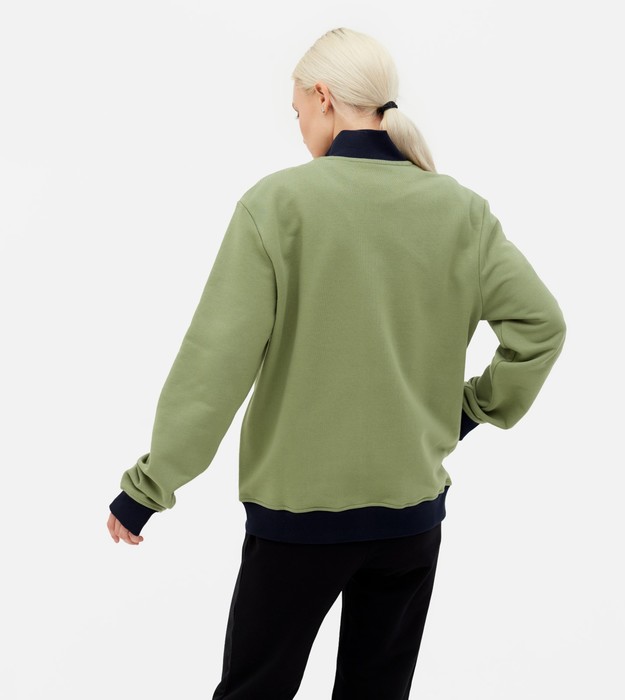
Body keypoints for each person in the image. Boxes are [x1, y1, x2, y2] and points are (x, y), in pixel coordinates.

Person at [106, 26, 566, 699]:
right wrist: (465, 412)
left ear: (323, 97)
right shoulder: (460, 211)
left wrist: (148, 489)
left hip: (299, 523)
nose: (299, 129)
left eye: (297, 111)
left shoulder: (278, 205)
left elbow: (214, 370)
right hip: (411, 519)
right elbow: (541, 327)